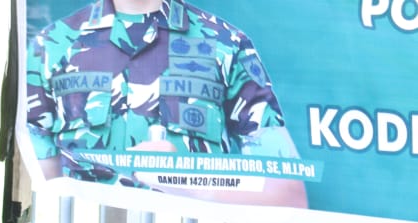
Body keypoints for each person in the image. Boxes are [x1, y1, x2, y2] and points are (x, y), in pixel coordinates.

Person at [25, 0, 308, 207]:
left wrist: (187, 184)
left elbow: (288, 194)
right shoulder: (52, 47)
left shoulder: (227, 46)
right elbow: (36, 191)